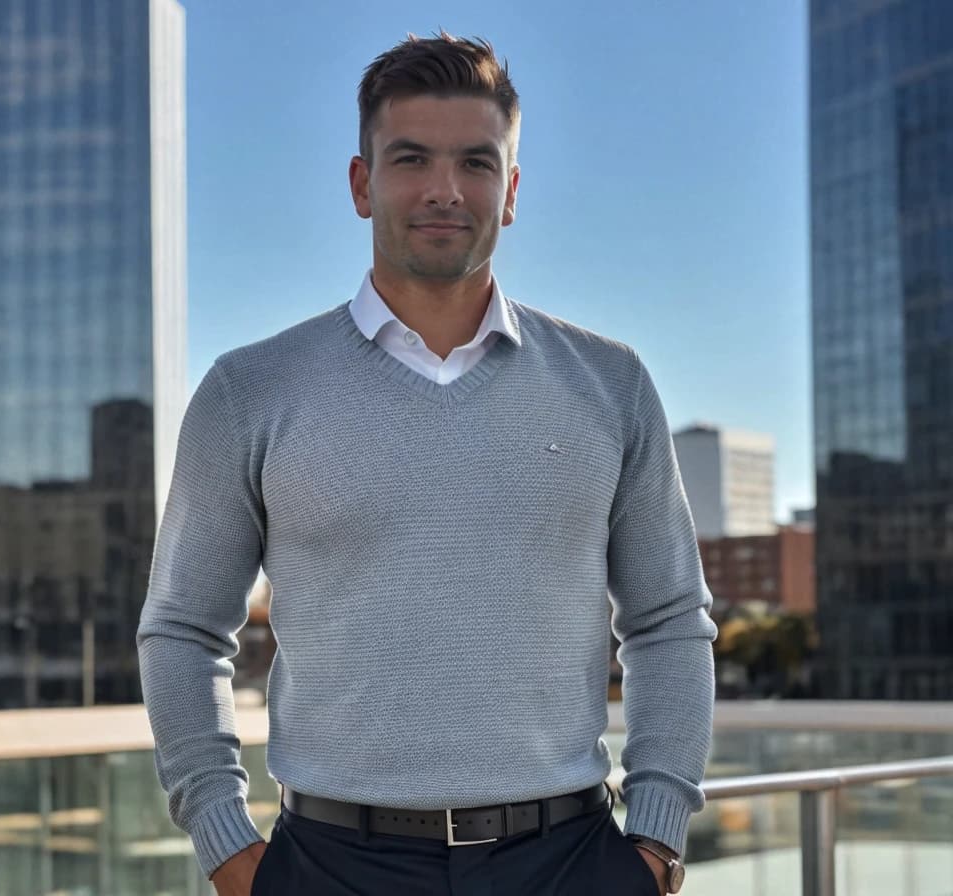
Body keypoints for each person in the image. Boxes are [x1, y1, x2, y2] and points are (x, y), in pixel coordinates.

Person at [138, 31, 716, 896]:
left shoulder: (612, 384)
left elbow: (670, 619)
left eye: (477, 163)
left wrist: (658, 843)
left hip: (571, 861)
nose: (446, 190)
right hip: (332, 865)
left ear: (511, 191)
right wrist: (229, 848)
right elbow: (183, 628)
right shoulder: (248, 391)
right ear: (362, 183)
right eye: (411, 158)